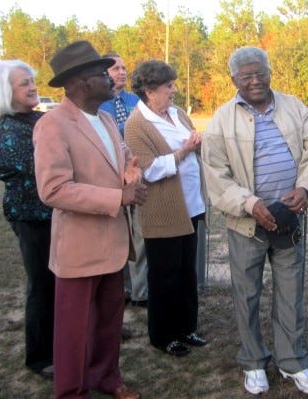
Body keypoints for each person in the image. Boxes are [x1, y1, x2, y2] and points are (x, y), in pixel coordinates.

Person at [201, 46, 308, 395]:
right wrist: (250, 203)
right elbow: (216, 175)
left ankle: (293, 362)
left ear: (270, 72)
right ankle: (254, 362)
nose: (255, 81)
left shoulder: (294, 107)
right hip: (246, 224)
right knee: (247, 294)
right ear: (234, 80)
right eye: (246, 76)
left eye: (261, 73)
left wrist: (304, 188)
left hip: (288, 221)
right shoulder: (221, 120)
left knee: (290, 294)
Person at [33, 40, 147, 399]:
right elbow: (53, 189)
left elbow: (123, 157)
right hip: (79, 248)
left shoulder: (108, 118)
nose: (112, 77)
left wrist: (130, 173)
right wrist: (119, 197)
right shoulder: (53, 125)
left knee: (109, 321)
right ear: (83, 81)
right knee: (73, 330)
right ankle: (71, 391)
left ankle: (106, 377)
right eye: (103, 72)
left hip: (113, 243)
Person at [124, 59, 208, 358]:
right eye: (168, 86)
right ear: (149, 91)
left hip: (192, 207)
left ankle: (187, 328)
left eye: (172, 84)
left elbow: (192, 143)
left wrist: (196, 144)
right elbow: (150, 170)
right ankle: (163, 335)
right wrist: (185, 150)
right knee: (164, 277)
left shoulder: (178, 113)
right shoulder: (137, 125)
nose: (174, 90)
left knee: (187, 273)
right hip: (163, 211)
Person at [0, 60, 55, 380]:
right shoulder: (7, 129)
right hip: (31, 218)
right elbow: (40, 168)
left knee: (59, 284)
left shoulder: (39, 118)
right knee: (41, 285)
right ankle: (40, 358)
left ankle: (66, 341)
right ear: (5, 92)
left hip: (55, 214)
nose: (32, 86)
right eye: (23, 83)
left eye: (31, 81)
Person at [99, 52, 147, 308]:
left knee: (138, 235)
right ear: (103, 73)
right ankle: (122, 287)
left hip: (136, 174)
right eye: (116, 68)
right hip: (109, 179)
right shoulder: (98, 104)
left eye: (124, 67)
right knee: (118, 236)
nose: (122, 72)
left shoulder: (136, 100)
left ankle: (140, 291)